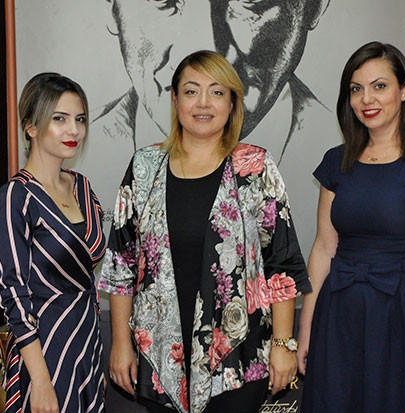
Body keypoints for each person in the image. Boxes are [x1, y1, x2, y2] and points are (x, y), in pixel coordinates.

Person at [98, 50, 311, 413]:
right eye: (191, 91)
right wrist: (120, 343)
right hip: (160, 355)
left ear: (232, 103)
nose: (203, 103)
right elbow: (122, 263)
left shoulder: (255, 167)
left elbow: (282, 262)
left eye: (216, 92)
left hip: (239, 356)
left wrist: (282, 344)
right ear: (175, 99)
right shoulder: (144, 167)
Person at [296, 41, 405, 412]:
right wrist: (306, 329)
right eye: (356, 89)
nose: (367, 99)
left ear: (404, 91)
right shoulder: (336, 162)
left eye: (379, 86)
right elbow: (324, 248)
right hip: (340, 315)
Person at [0, 73, 107, 413]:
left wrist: (95, 357)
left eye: (80, 119)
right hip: (44, 352)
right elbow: (12, 292)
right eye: (59, 119)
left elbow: (89, 278)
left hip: (87, 345)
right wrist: (40, 380)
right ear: (31, 126)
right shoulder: (16, 196)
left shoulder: (82, 187)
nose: (74, 130)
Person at [95, 0, 330, 163]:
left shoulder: (339, 155)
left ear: (314, 6)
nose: (206, 55)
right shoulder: (80, 164)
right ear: (111, 8)